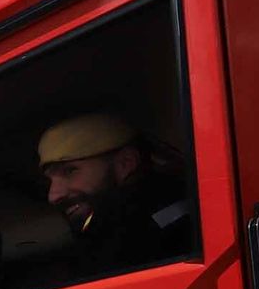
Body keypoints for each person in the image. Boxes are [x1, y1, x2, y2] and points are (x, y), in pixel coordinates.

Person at [38, 112, 193, 270]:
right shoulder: (114, 226)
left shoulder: (150, 234)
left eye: (69, 171)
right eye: (50, 180)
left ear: (126, 163)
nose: (53, 196)